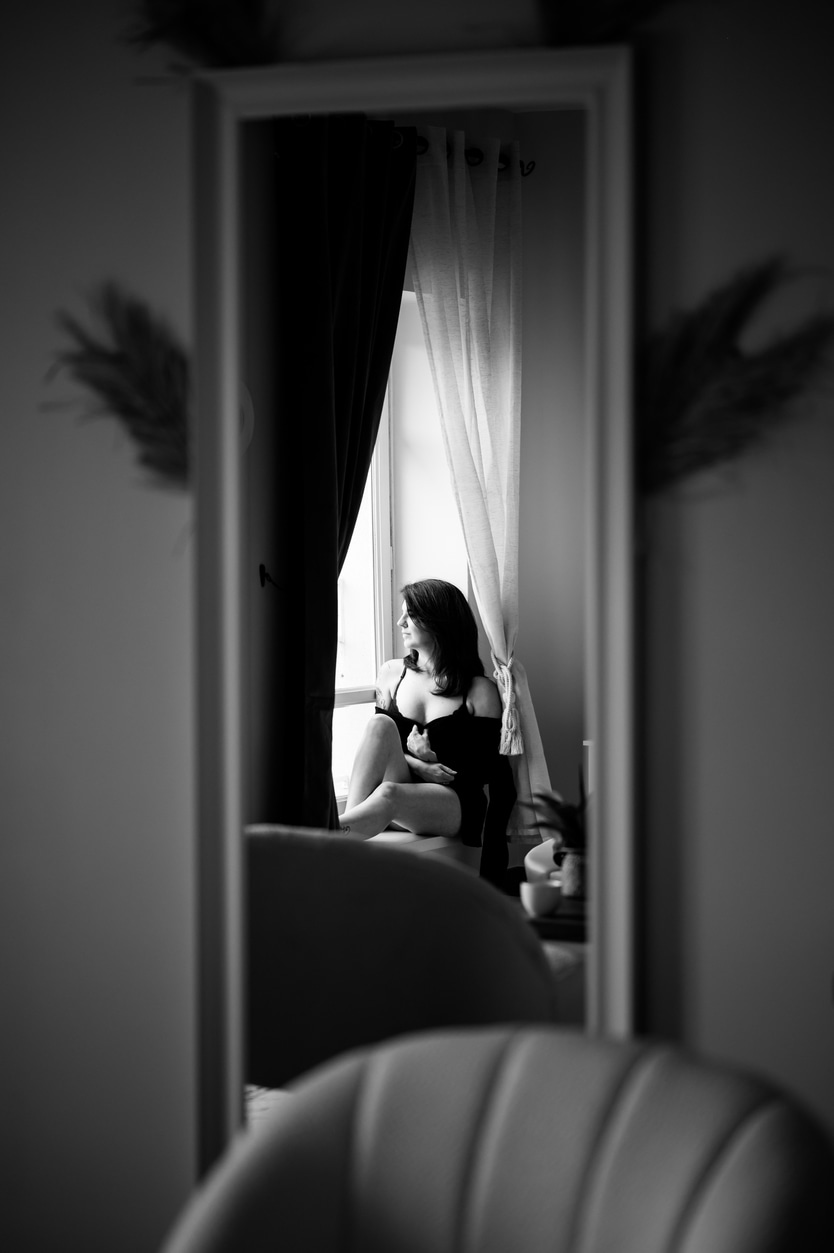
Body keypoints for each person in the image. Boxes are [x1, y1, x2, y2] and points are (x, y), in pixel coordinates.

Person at [339, 578, 516, 884]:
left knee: (389, 793)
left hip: (453, 803)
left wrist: (435, 759)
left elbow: (487, 771)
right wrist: (421, 763)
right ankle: (345, 835)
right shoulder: (392, 673)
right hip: (401, 792)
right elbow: (383, 750)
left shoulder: (479, 690)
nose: (400, 622)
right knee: (380, 725)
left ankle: (327, 835)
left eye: (410, 615)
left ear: (438, 623)